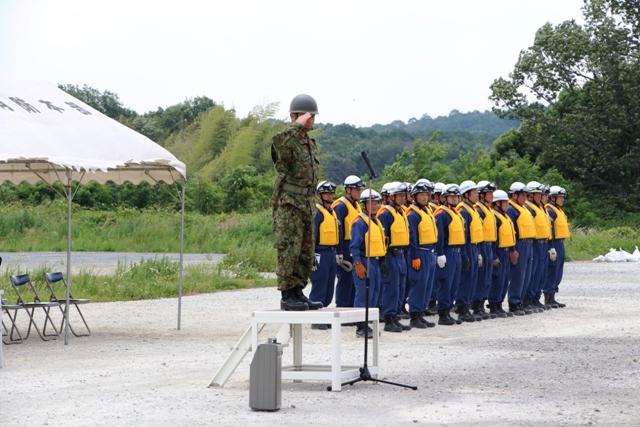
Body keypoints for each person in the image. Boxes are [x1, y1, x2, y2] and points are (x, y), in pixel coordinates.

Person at [271, 94, 323, 311]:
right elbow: (279, 144)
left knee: (305, 250)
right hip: (290, 203)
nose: (312, 120)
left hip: (306, 202)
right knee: (289, 247)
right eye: (308, 116)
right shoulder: (286, 140)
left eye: (313, 117)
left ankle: (298, 292)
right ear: (295, 116)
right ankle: (287, 295)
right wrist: (296, 125)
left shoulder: (308, 143)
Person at [350, 189, 386, 338]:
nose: (374, 206)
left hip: (375, 261)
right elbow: (354, 246)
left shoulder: (376, 221)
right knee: (364, 295)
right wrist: (358, 263)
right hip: (364, 260)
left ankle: (367, 323)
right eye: (370, 203)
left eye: (376, 203)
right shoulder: (360, 222)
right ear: (364, 205)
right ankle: (360, 327)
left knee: (374, 294)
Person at [377, 182, 411, 332]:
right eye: (399, 196)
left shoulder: (401, 212)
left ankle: (396, 315)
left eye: (403, 195)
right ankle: (389, 318)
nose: (402, 198)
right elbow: (383, 236)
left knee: (400, 286)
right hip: (390, 254)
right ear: (391, 197)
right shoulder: (386, 213)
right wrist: (383, 258)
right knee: (391, 287)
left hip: (401, 253)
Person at [406, 179, 438, 329]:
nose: (425, 197)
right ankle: (414, 316)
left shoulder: (428, 211)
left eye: (426, 194)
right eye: (421, 195)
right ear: (415, 196)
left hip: (429, 251)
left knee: (427, 285)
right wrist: (414, 256)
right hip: (419, 252)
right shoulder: (413, 214)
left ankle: (421, 313)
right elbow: (412, 237)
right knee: (418, 284)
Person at [310, 181, 340, 329]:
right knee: (319, 284)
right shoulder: (317, 213)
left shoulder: (332, 212)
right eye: (326, 193)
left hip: (331, 252)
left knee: (329, 287)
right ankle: (316, 318)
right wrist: (312, 261)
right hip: (319, 253)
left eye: (331, 193)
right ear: (319, 195)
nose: (329, 196)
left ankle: (323, 314)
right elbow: (312, 237)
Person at [434, 184, 465, 326]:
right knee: (445, 283)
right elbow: (439, 235)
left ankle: (448, 311)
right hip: (447, 251)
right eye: (452, 196)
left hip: (457, 251)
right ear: (445, 198)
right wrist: (440, 253)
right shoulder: (442, 214)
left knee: (454, 283)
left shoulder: (456, 213)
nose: (455, 199)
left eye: (456, 196)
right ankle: (443, 313)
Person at [331, 175, 365, 308]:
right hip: (344, 246)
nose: (359, 192)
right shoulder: (340, 206)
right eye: (356, 189)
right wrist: (338, 251)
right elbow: (337, 229)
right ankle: (342, 306)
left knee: (353, 280)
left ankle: (350, 308)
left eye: (359, 189)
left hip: (353, 245)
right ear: (348, 190)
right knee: (344, 279)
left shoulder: (357, 205)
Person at [456, 180, 485, 322]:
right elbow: (464, 234)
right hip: (466, 247)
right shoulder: (463, 210)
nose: (477, 195)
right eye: (474, 193)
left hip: (474, 246)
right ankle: (462, 309)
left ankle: (468, 306)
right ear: (466, 194)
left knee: (473, 278)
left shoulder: (472, 209)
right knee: (466, 279)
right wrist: (464, 254)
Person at [506, 182, 536, 315]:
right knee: (518, 275)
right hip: (519, 244)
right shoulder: (511, 209)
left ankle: (522, 301)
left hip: (528, 243)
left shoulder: (524, 208)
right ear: (514, 195)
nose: (525, 197)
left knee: (527, 274)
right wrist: (513, 249)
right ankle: (514, 303)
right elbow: (510, 230)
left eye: (526, 195)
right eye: (522, 195)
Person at [487, 190, 516, 318]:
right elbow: (493, 238)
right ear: (497, 203)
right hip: (498, 250)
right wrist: (494, 256)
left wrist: (512, 250)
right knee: (497, 279)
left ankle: (499, 304)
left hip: (505, 250)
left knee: (505, 279)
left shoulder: (505, 216)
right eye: (504, 202)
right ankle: (493, 305)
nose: (507, 204)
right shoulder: (494, 217)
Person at [524, 181, 551, 312]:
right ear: (531, 195)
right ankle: (528, 299)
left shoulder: (540, 207)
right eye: (538, 194)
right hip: (535, 244)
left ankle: (535, 298)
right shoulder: (529, 208)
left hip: (543, 243)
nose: (541, 196)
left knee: (540, 273)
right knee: (532, 273)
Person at [474, 181, 498, 320]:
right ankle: (476, 306)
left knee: (487, 278)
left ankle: (482, 304)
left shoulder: (488, 209)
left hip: (489, 245)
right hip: (481, 246)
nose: (491, 196)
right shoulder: (479, 210)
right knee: (481, 277)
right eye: (488, 193)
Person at [545, 186, 570, 308]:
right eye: (560, 197)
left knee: (558, 271)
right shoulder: (550, 211)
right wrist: (550, 246)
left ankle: (553, 296)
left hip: (560, 243)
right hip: (554, 243)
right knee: (552, 270)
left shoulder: (558, 210)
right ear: (553, 198)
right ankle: (548, 297)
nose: (562, 199)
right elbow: (549, 229)